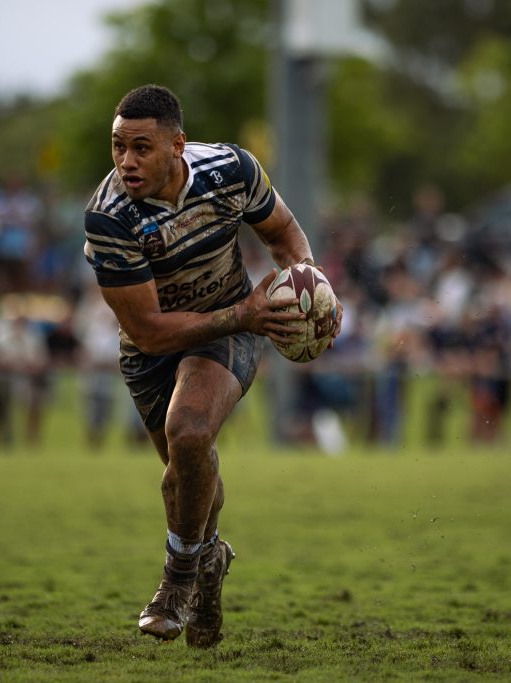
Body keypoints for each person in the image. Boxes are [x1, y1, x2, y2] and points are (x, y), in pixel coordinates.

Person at [82, 85, 342, 646]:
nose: (127, 161)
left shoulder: (231, 171)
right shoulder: (109, 218)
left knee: (190, 431)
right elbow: (148, 330)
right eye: (118, 146)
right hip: (153, 349)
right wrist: (244, 314)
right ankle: (210, 560)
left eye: (142, 147)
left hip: (232, 326)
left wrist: (310, 288)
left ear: (178, 145)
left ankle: (177, 579)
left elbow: (284, 233)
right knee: (186, 477)